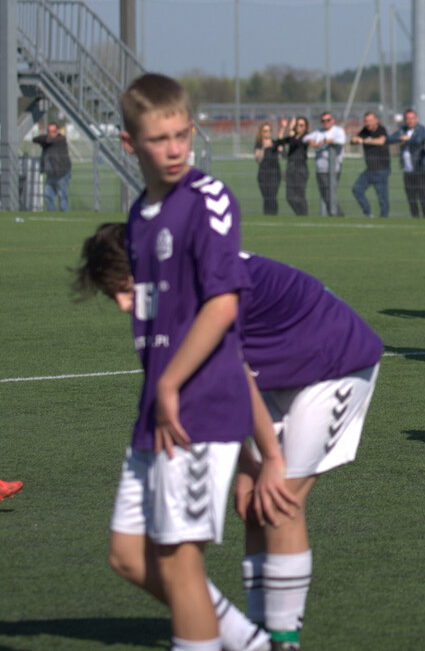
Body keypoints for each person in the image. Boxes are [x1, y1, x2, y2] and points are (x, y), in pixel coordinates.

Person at [75, 223, 383, 651]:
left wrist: (267, 460)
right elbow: (216, 386)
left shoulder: (196, 293)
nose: (126, 305)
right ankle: (258, 635)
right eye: (115, 296)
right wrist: (247, 467)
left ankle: (281, 640)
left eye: (127, 289)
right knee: (254, 505)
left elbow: (232, 376)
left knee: (278, 503)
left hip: (337, 364)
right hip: (279, 377)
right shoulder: (169, 292)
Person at [105, 73, 286, 651]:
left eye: (183, 134)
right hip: (158, 408)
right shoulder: (138, 215)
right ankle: (250, 643)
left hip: (198, 405)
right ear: (130, 144)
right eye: (159, 139)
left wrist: (171, 384)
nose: (176, 148)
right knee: (128, 556)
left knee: (180, 563)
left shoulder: (207, 199)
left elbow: (223, 303)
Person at [388, 109, 425, 218]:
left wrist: (406, 141)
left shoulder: (420, 129)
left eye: (412, 118)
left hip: (419, 167)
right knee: (410, 196)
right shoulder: (402, 130)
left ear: (416, 119)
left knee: (422, 194)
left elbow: (418, 140)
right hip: (407, 168)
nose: (410, 121)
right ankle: (415, 216)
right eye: (408, 119)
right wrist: (400, 138)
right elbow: (389, 138)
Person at [306, 112, 347, 216]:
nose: (326, 123)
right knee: (325, 193)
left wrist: (325, 141)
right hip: (321, 168)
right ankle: (335, 214)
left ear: (332, 120)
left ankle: (337, 214)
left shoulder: (338, 131)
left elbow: (341, 141)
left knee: (330, 192)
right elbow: (305, 138)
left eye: (328, 120)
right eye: (323, 121)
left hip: (334, 168)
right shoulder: (318, 132)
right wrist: (311, 141)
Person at [351, 111, 390, 218]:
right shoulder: (365, 131)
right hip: (370, 169)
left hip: (381, 169)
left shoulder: (381, 129)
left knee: (382, 197)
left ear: (376, 120)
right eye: (366, 121)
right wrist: (355, 140)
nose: (367, 124)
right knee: (357, 189)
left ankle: (384, 218)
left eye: (370, 121)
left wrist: (364, 141)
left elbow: (381, 141)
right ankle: (368, 213)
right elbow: (354, 140)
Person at [32, 122, 72, 212]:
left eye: (53, 131)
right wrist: (46, 138)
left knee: (62, 195)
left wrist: (46, 138)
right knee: (48, 194)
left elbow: (48, 140)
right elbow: (35, 139)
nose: (51, 134)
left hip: (62, 172)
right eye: (49, 131)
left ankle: (64, 213)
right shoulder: (47, 141)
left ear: (57, 131)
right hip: (51, 173)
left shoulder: (61, 139)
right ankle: (51, 213)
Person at [277, 117, 311, 216]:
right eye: (297, 125)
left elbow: (295, 143)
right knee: (289, 196)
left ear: (305, 127)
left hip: (300, 170)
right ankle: (300, 214)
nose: (298, 127)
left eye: (301, 125)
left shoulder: (305, 137)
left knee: (300, 195)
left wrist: (291, 130)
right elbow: (280, 142)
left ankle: (304, 215)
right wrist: (283, 128)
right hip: (291, 169)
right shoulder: (293, 137)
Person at [253, 122, 282, 216]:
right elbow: (258, 159)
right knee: (266, 197)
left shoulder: (275, 143)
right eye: (265, 131)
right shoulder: (259, 145)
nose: (267, 133)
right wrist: (263, 148)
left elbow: (283, 153)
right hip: (263, 174)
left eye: (269, 131)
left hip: (275, 174)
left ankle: (274, 214)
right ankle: (267, 215)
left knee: (272, 196)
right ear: (261, 133)